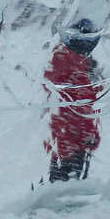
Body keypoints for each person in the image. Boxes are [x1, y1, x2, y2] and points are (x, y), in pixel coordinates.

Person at [44, 18, 104, 182]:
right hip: (72, 133)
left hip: (64, 130)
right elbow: (86, 100)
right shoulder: (73, 62)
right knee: (66, 178)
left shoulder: (63, 56)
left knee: (60, 174)